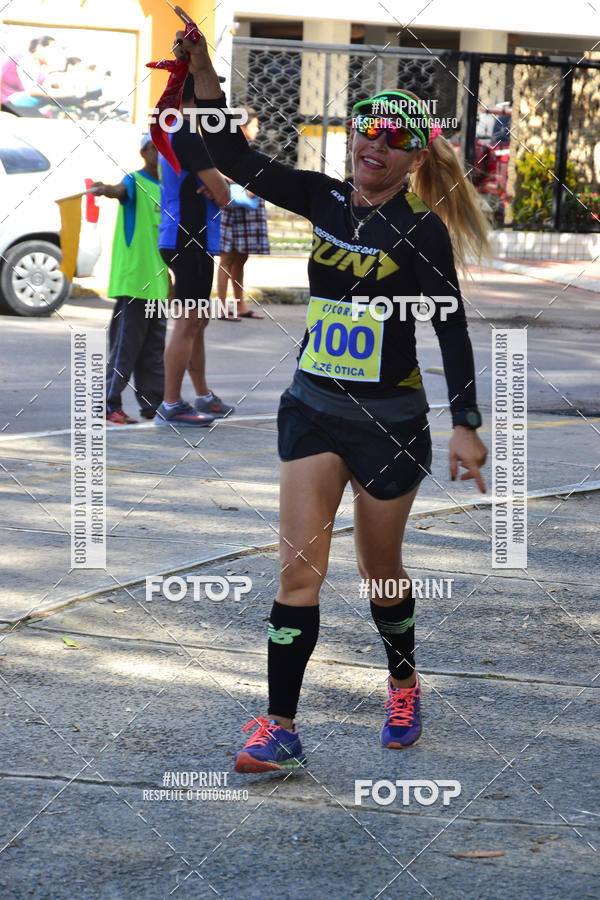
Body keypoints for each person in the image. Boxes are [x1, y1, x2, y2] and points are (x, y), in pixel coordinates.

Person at [175, 9, 489, 773]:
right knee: (297, 573)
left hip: (390, 422)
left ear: (416, 158)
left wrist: (466, 424)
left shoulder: (423, 233)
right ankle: (278, 726)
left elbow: (447, 326)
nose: (370, 148)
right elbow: (221, 152)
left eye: (389, 141)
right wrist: (205, 72)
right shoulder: (321, 198)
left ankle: (404, 683)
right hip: (314, 407)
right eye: (363, 135)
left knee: (380, 572)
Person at [154, 74, 235, 427]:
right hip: (189, 240)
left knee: (196, 323)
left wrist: (215, 183)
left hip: (184, 238)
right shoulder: (187, 135)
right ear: (197, 96)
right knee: (187, 324)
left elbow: (212, 185)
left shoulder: (173, 131)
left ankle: (202, 395)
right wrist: (219, 184)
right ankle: (170, 405)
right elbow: (224, 194)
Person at [90, 135, 169, 424]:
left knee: (153, 351)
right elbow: (118, 191)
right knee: (126, 348)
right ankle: (108, 404)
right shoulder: (135, 181)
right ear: (145, 151)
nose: (161, 154)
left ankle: (153, 406)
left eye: (166, 149)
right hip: (135, 282)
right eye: (156, 148)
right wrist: (104, 189)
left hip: (157, 284)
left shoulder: (166, 189)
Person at [217, 107, 268, 320]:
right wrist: (242, 182)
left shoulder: (246, 148)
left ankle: (240, 305)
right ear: (241, 127)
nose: (258, 129)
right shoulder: (223, 147)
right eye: (254, 125)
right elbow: (215, 171)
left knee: (241, 259)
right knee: (227, 259)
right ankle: (220, 306)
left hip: (248, 209)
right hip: (233, 208)